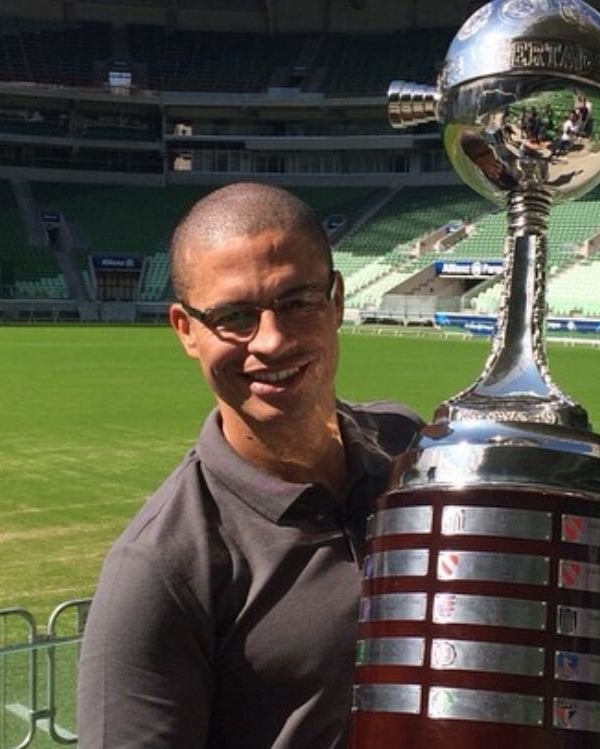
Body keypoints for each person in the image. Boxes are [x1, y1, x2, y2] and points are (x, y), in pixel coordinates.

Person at [77, 183, 422, 748]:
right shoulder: (159, 571)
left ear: (335, 300)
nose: (272, 340)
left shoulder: (407, 450)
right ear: (186, 331)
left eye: (296, 302)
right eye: (236, 315)